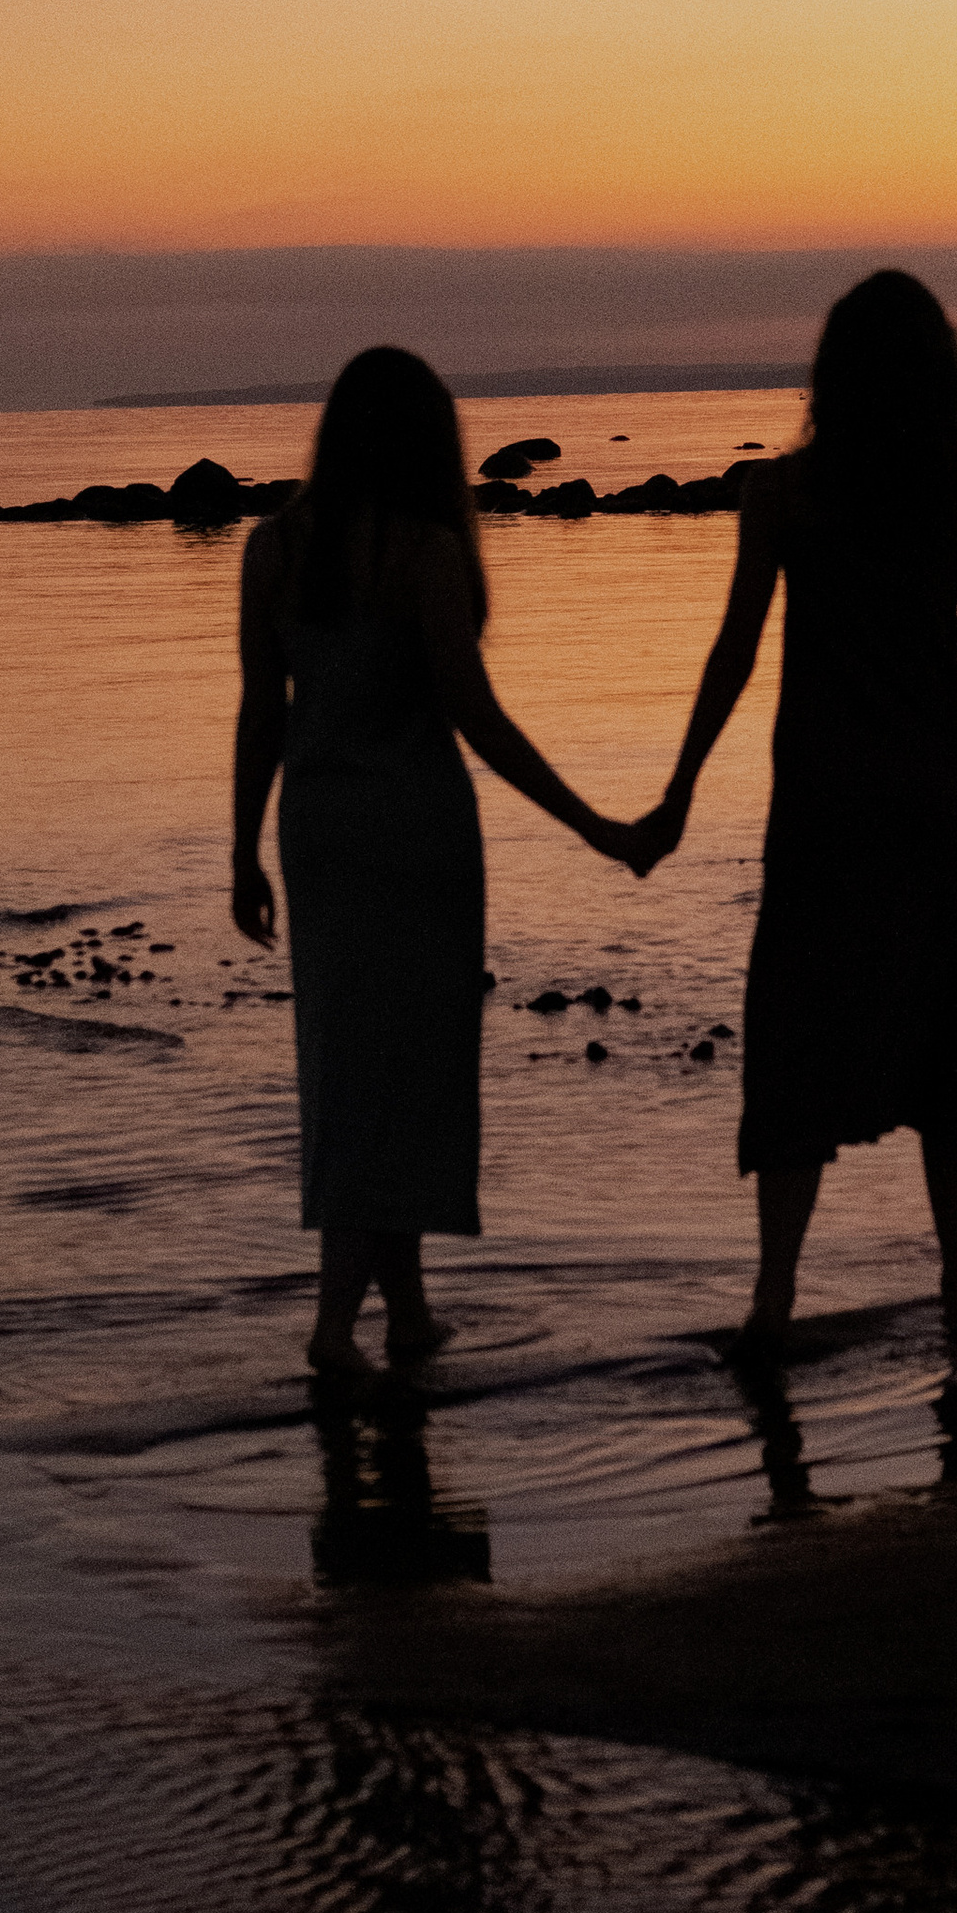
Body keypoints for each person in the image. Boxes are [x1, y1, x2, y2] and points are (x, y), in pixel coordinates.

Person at [233, 345, 648, 1379]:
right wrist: (591, 821)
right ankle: (335, 1326)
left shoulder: (271, 547)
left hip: (319, 834)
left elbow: (260, 712)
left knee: (346, 1068)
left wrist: (240, 850)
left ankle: (408, 1310)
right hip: (415, 835)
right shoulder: (421, 551)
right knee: (405, 1074)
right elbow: (473, 715)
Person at [636, 271, 957, 1353]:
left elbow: (732, 654)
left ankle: (773, 1297)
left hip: (822, 811)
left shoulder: (784, 496)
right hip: (935, 806)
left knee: (794, 1050)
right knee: (943, 1056)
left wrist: (677, 792)